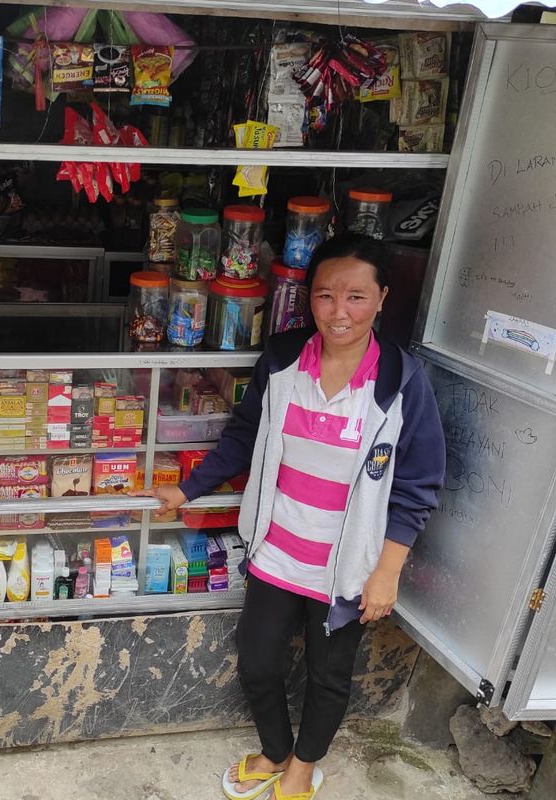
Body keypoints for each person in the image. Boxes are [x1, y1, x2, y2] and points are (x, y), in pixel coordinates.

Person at [145, 235, 445, 800]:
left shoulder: (403, 383)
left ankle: (304, 769)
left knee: (329, 676)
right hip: (278, 549)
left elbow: (416, 487)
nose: (339, 312)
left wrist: (387, 572)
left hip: (346, 565)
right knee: (258, 663)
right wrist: (187, 490)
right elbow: (242, 437)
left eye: (356, 296)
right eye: (326, 295)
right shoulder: (283, 360)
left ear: (382, 298)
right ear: (309, 299)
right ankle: (276, 750)